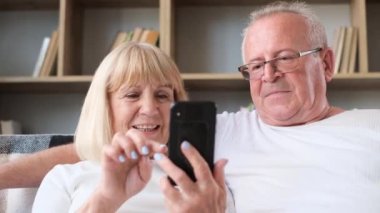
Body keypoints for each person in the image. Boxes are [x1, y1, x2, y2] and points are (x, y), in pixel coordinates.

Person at [1, 1, 380, 212]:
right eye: (256, 65)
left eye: (285, 58)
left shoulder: (371, 127)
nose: (269, 74)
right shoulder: (223, 132)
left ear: (327, 64)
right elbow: (102, 148)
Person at [31, 42, 234, 212]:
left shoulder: (206, 186)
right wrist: (105, 200)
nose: (149, 109)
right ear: (104, 106)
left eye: (162, 95)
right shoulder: (64, 178)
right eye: (132, 95)